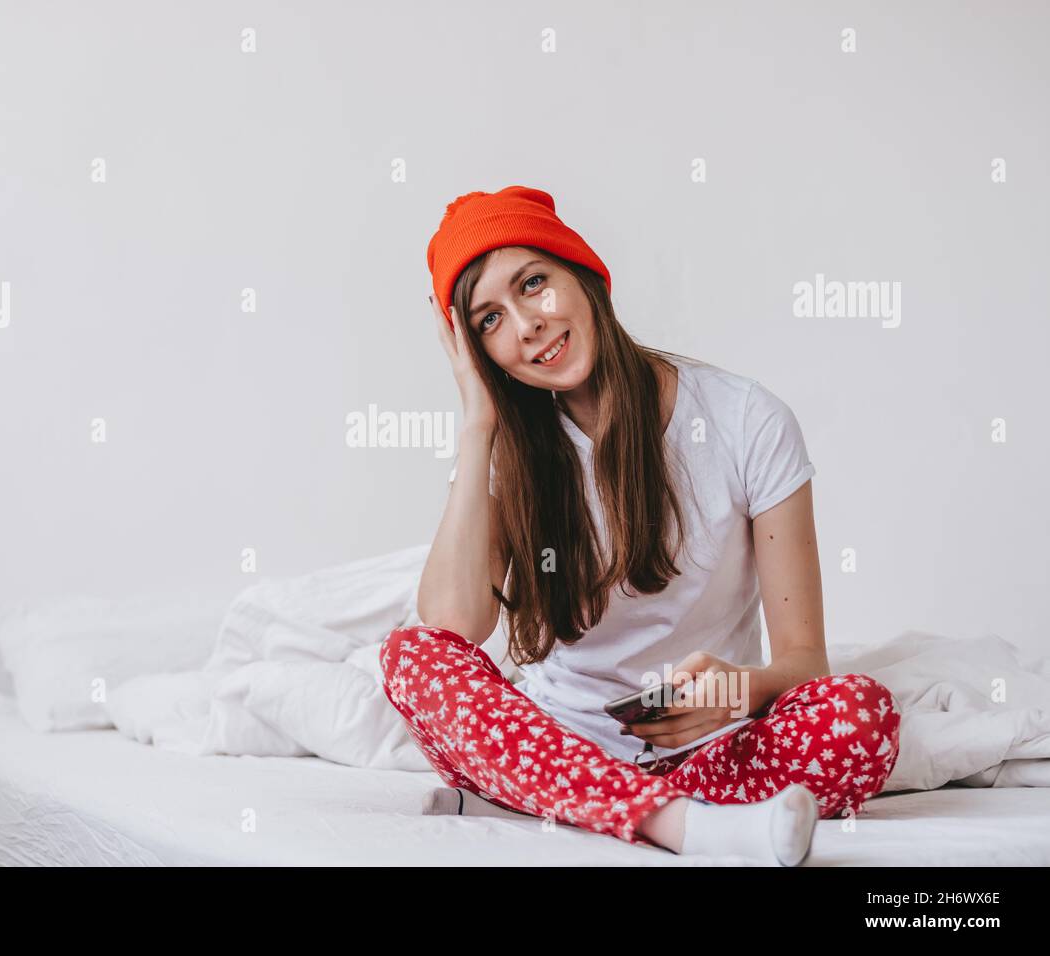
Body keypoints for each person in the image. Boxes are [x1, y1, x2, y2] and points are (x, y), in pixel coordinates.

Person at [378, 185, 901, 866]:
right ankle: (682, 826)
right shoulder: (506, 450)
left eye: (534, 283)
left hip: (705, 751)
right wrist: (479, 425)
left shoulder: (747, 420)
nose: (527, 325)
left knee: (860, 717)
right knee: (410, 656)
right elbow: (451, 626)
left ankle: (566, 805)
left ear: (585, 274)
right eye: (489, 321)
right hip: (552, 743)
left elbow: (806, 663)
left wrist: (741, 689)